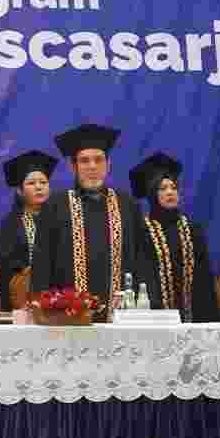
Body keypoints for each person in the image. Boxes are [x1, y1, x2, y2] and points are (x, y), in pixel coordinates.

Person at [29, 123, 143, 312]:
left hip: (121, 316)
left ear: (108, 165)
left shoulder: (127, 205)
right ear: (73, 166)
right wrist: (42, 308)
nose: (92, 166)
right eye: (84, 161)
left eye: (98, 160)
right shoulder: (55, 206)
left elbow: (141, 260)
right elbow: (42, 265)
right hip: (67, 317)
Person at [129, 152, 220, 322]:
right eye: (163, 188)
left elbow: (204, 280)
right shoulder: (142, 231)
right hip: (156, 317)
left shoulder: (193, 230)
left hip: (194, 314)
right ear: (152, 194)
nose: (170, 192)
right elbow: (142, 276)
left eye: (173, 187)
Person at [0, 150, 59, 312]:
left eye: (43, 182)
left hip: (59, 297)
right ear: (20, 190)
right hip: (23, 297)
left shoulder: (61, 219)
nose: (39, 187)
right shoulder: (11, 224)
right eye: (31, 183)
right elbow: (7, 264)